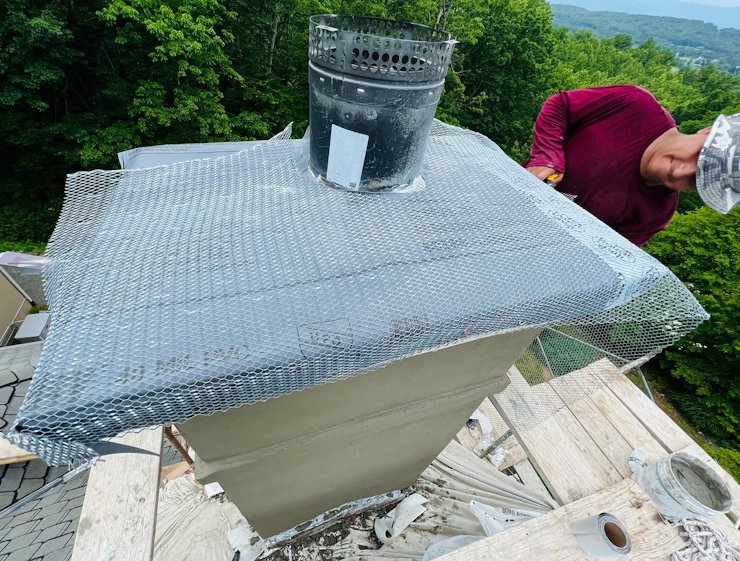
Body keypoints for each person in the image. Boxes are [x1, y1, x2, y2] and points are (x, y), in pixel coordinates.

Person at [524, 85, 739, 247]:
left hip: (535, 246)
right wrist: (548, 156)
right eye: (700, 155)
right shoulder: (635, 105)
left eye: (696, 180)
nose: (680, 171)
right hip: (512, 198)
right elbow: (561, 105)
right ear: (708, 131)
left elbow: (609, 257)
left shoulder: (656, 213)